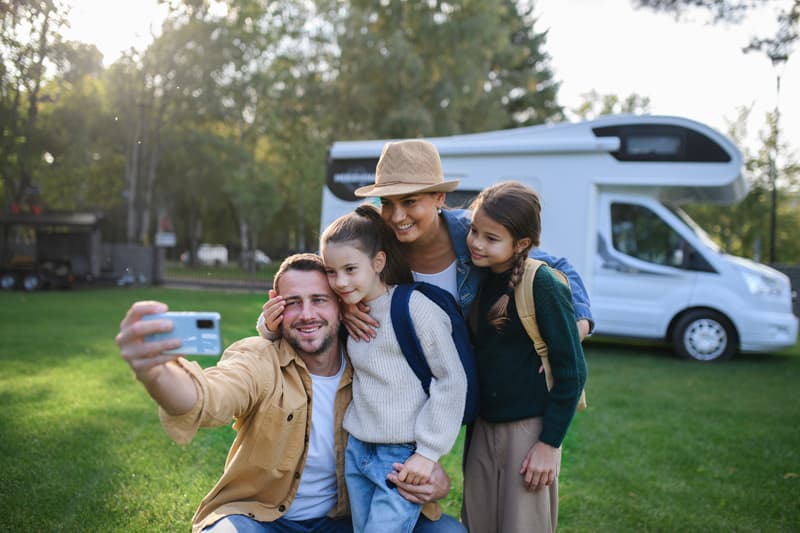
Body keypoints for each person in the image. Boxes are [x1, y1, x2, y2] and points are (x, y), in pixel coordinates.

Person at [115, 253, 465, 533]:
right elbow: (208, 397)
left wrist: (433, 475)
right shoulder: (258, 358)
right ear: (275, 305)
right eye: (293, 302)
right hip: (262, 519)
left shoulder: (373, 366)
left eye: (319, 300)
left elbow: (421, 414)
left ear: (342, 306)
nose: (307, 314)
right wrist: (154, 373)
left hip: (347, 520)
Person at [258, 139, 592, 343]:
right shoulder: (377, 245)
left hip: (471, 368)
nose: (397, 216)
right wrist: (345, 306)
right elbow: (327, 274)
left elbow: (555, 266)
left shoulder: (471, 235)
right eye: (387, 203)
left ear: (439, 199)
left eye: (410, 201)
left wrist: (579, 322)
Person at [320, 205, 467, 533]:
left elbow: (452, 380)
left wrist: (428, 453)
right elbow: (297, 314)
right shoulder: (350, 311)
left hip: (401, 455)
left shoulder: (416, 308)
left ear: (378, 262)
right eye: (331, 271)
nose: (340, 281)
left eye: (350, 269)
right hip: (357, 449)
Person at [461, 181, 587, 532]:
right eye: (474, 231)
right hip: (483, 428)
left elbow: (573, 372)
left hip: (529, 432)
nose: (476, 243)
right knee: (478, 523)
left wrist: (549, 444)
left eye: (491, 237)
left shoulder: (542, 284)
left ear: (522, 244)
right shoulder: (477, 278)